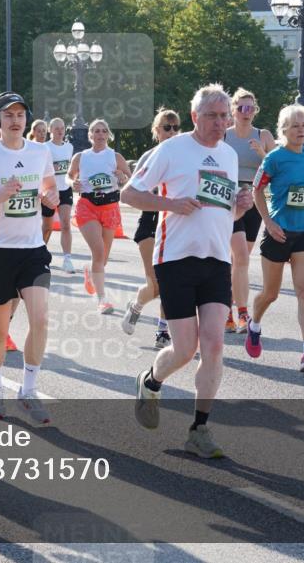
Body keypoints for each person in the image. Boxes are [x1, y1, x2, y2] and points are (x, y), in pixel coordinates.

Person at [122, 83, 253, 458]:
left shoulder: (228, 155)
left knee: (213, 344)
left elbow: (226, 211)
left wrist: (241, 204)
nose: (218, 121)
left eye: (223, 115)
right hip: (175, 258)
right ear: (195, 117)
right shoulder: (172, 149)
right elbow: (129, 194)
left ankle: (199, 429)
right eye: (211, 115)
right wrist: (171, 203)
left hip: (216, 259)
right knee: (184, 349)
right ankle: (150, 381)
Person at [0, 92, 59, 423]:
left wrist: (49, 195)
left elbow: (49, 183)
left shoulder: (40, 151)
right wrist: (1, 195)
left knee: (40, 319)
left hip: (33, 250)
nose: (15, 120)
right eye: (8, 114)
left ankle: (28, 389)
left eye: (20, 114)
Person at [245, 105, 304, 372]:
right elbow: (257, 190)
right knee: (270, 294)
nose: (301, 130)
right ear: (284, 130)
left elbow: (302, 188)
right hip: (278, 233)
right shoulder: (274, 159)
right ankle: (254, 324)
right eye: (295, 126)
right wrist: (268, 222)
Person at [122, 109, 179, 347]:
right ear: (156, 131)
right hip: (150, 224)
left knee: (170, 282)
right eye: (167, 127)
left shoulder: (186, 155)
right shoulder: (149, 156)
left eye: (176, 127)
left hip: (175, 225)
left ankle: (162, 330)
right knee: (154, 285)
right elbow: (132, 193)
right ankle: (136, 305)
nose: (172, 132)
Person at [223, 88, 275, 333]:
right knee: (241, 257)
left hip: (254, 201)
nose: (246, 112)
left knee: (239, 261)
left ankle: (227, 307)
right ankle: (239, 314)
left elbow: (278, 169)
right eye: (241, 107)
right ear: (233, 110)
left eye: (251, 108)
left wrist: (263, 154)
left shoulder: (263, 135)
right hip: (229, 200)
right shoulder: (223, 135)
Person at [67, 119, 132, 313]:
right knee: (98, 252)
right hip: (87, 205)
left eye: (104, 131)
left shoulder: (115, 156)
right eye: (96, 131)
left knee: (103, 257)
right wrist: (72, 183)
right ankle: (102, 299)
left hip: (110, 206)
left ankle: (91, 272)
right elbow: (69, 176)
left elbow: (130, 178)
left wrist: (122, 177)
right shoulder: (81, 157)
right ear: (91, 135)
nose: (100, 134)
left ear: (108, 134)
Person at [44, 118, 75, 274]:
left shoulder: (69, 147)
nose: (59, 131)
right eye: (56, 128)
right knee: (47, 227)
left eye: (62, 128)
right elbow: (40, 168)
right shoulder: (44, 148)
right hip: (49, 190)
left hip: (65, 189)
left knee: (66, 224)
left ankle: (67, 259)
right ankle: (40, 255)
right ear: (50, 130)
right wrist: (51, 167)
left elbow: (70, 168)